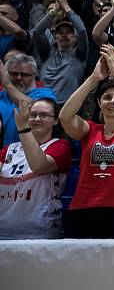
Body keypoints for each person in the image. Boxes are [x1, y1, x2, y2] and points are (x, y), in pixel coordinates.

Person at [59, 45, 114, 238]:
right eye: (107, 97)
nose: (113, 101)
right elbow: (65, 117)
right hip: (82, 207)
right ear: (99, 103)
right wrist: (93, 79)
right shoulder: (90, 129)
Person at [0, 98, 71, 239]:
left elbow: (39, 165)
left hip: (41, 234)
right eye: (32, 115)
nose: (37, 119)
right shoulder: (9, 149)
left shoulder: (60, 146)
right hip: (3, 232)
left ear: (56, 120)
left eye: (44, 115)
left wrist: (23, 128)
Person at [29, 0, 88, 104]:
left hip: (66, 106)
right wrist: (53, 11)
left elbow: (81, 30)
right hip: (42, 103)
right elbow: (36, 33)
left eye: (69, 32)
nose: (64, 35)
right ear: (55, 37)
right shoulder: (47, 52)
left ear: (75, 38)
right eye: (60, 33)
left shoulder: (80, 54)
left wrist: (66, 7)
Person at [0, 55, 58, 147]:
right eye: (13, 74)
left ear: (34, 76)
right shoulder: (1, 96)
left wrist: (7, 84)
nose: (18, 77)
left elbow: (33, 108)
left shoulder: (44, 93)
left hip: (31, 154)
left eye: (24, 75)